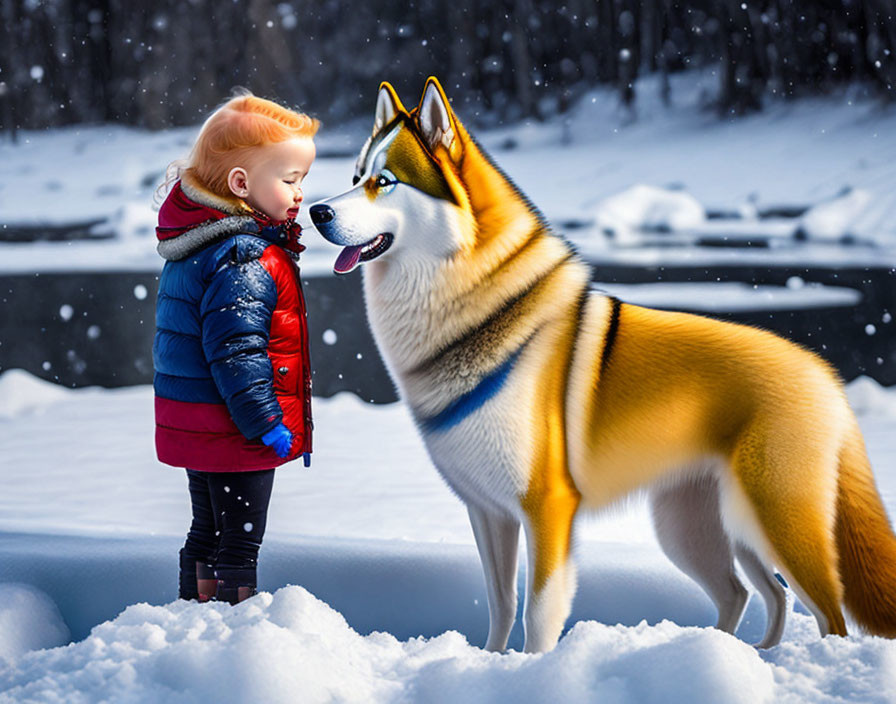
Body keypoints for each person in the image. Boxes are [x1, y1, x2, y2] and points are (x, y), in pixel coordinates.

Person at [153, 92, 318, 604]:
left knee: (206, 531)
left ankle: (194, 617)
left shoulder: (199, 241)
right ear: (241, 184)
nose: (299, 194)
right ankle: (232, 625)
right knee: (240, 544)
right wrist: (265, 421)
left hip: (199, 422)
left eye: (302, 181)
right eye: (289, 180)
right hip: (235, 429)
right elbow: (236, 351)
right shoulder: (244, 253)